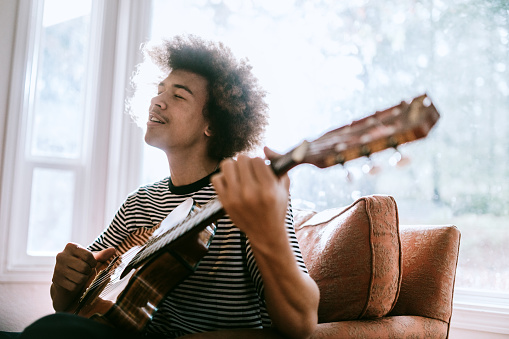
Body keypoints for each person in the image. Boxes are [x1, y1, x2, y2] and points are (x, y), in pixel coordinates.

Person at [18, 35, 319, 339]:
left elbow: (302, 323)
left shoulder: (246, 196)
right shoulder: (140, 203)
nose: (157, 100)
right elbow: (70, 307)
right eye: (160, 90)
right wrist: (65, 280)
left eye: (179, 95)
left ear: (213, 124)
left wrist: (268, 230)